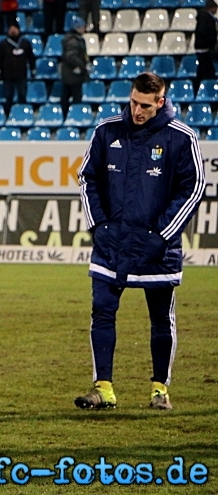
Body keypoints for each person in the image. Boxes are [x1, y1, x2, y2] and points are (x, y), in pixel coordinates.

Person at [75, 72, 205, 412]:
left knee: (161, 318)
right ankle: (103, 388)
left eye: (145, 105)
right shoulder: (107, 131)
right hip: (111, 244)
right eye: (134, 102)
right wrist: (99, 226)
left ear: (160, 101)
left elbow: (193, 189)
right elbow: (86, 178)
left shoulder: (181, 137)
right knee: (102, 311)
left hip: (157, 249)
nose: (137, 110)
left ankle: (160, 390)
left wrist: (161, 236)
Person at [0, 23, 35, 118]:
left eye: (15, 29)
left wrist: (33, 69)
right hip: (7, 76)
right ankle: (9, 116)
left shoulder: (25, 43)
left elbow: (31, 58)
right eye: (11, 29)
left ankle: (22, 116)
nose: (13, 31)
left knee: (22, 96)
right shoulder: (3, 44)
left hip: (22, 75)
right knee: (8, 97)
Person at [60, 17, 89, 118]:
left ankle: (65, 116)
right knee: (76, 98)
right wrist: (81, 66)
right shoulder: (74, 41)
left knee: (65, 97)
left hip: (68, 74)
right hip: (74, 75)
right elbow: (71, 56)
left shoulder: (70, 39)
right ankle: (75, 117)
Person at [193, 0, 218, 96]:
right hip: (204, 48)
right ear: (212, 8)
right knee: (209, 73)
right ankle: (211, 94)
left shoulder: (202, 17)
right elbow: (205, 33)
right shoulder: (207, 19)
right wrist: (212, 43)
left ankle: (196, 92)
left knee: (201, 73)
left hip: (201, 48)